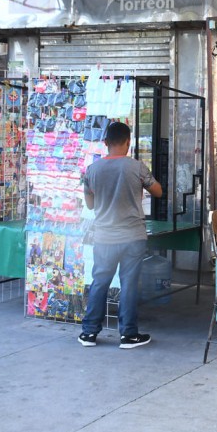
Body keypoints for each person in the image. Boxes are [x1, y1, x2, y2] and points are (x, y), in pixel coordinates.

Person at [78, 121, 163, 349]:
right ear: (128, 142)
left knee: (100, 283)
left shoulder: (92, 170)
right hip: (132, 237)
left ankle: (89, 333)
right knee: (129, 285)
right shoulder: (136, 167)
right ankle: (128, 335)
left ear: (105, 143)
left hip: (104, 237)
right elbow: (158, 191)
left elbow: (90, 202)